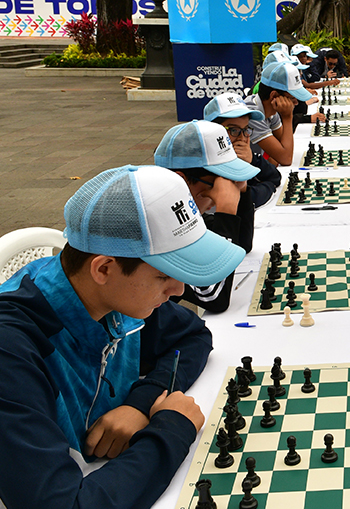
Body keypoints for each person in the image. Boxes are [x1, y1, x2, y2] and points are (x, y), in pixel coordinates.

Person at [0, 164, 245, 509]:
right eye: (165, 275)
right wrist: (170, 429)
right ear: (103, 268)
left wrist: (139, 403)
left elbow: (192, 336)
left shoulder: (108, 293)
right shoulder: (11, 353)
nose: (178, 291)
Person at [154, 120, 260, 314]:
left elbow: (243, 245)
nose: (224, 191)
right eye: (219, 184)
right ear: (181, 181)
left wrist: (242, 192)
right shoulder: (160, 224)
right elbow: (213, 297)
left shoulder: (184, 212)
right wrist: (226, 211)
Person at [204, 93, 282, 209]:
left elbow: (275, 177)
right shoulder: (210, 164)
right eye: (234, 130)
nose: (242, 138)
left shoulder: (238, 155)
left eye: (245, 129)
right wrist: (269, 187)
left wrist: (252, 159)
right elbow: (247, 198)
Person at [244, 61, 312, 166]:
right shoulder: (252, 114)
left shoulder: (271, 112)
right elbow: (286, 158)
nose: (296, 103)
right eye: (292, 98)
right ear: (274, 95)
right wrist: (287, 117)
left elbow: (284, 148)